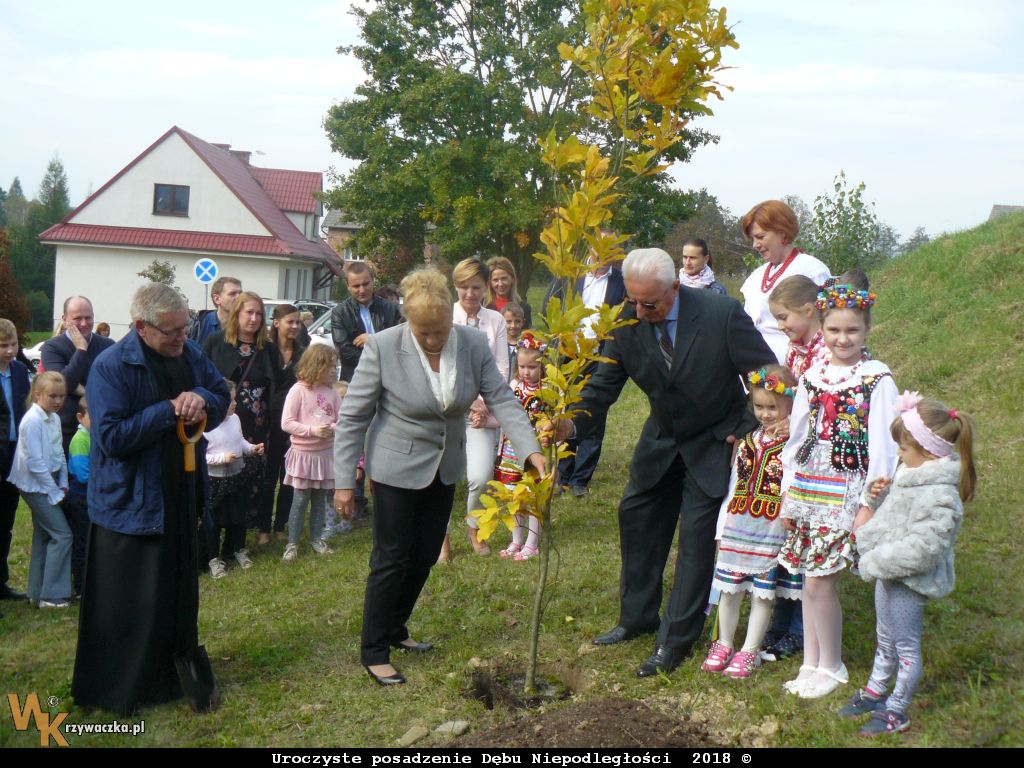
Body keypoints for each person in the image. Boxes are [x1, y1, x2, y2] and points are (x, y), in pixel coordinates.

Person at [568, 248, 775, 678]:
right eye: (633, 301)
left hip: (714, 441)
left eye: (650, 304)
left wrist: (745, 424)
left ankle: (675, 640)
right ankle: (637, 618)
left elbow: (766, 374)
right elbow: (602, 387)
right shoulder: (625, 321)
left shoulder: (720, 315)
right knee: (637, 518)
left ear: (675, 288)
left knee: (696, 542)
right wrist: (570, 425)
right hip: (662, 441)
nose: (640, 312)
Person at [333, 267, 545, 686]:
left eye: (440, 331)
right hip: (394, 467)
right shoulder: (383, 347)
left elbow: (501, 397)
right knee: (391, 557)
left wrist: (531, 448)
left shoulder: (472, 343)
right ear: (408, 322)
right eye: (424, 333)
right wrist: (343, 482)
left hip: (444, 465)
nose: (433, 340)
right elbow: (354, 416)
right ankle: (374, 648)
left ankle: (396, 627)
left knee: (427, 551)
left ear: (451, 318)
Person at [72, 283, 230, 716]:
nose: (182, 338)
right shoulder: (110, 367)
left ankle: (170, 676)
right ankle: (122, 686)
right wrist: (169, 409)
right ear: (141, 327)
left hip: (180, 493)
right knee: (129, 601)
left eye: (185, 329)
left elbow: (220, 396)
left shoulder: (190, 353)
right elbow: (112, 438)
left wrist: (202, 399)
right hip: (129, 502)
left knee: (175, 594)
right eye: (171, 332)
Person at [778, 283, 899, 700]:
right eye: (834, 330)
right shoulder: (813, 376)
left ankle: (831, 663)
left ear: (866, 330)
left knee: (820, 581)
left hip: (846, 490)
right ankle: (811, 662)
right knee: (807, 579)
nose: (842, 339)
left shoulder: (876, 378)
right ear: (822, 328)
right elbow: (798, 436)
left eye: (852, 330)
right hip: (809, 487)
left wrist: (868, 505)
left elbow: (884, 447)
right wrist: (788, 492)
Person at [840, 394, 976, 737]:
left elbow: (925, 548)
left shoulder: (941, 495)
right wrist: (876, 497)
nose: (898, 455)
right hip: (888, 573)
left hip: (910, 581)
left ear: (928, 451)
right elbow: (895, 517)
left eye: (903, 448)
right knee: (884, 638)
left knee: (905, 646)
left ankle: (896, 709)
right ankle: (875, 691)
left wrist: (877, 560)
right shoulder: (911, 474)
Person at [702, 365, 800, 678]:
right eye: (759, 406)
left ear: (790, 405)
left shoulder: (794, 443)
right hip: (737, 526)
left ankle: (749, 649)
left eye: (773, 407)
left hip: (770, 530)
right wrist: (721, 526)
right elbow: (735, 485)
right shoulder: (747, 441)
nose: (765, 414)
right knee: (729, 589)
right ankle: (724, 643)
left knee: (762, 593)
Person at [543, 236, 627, 497]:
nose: (603, 251)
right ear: (589, 245)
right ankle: (563, 473)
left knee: (593, 412)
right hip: (568, 354)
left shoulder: (621, 282)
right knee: (565, 411)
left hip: (599, 356)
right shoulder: (572, 274)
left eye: (610, 247)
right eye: (598, 244)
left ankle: (581, 478)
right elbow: (549, 304)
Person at [204, 292, 284, 552]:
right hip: (223, 422)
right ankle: (216, 531)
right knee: (222, 475)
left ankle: (245, 531)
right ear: (237, 313)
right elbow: (203, 378)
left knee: (254, 476)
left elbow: (276, 386)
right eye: (249, 312)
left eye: (258, 313)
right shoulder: (216, 342)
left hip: (258, 424)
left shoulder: (268, 349)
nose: (254, 318)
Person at [450, 257, 509, 559]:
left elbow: (501, 367)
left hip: (482, 415)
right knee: (440, 476)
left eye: (475, 287)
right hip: (447, 410)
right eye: (464, 287)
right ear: (455, 287)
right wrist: (467, 399)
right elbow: (442, 366)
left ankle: (474, 526)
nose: (470, 294)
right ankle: (440, 536)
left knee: (481, 476)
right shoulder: (445, 316)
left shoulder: (496, 320)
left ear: (486, 287)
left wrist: (483, 404)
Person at [8, 371, 72, 608]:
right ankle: (52, 595)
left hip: (51, 480)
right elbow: (35, 462)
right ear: (37, 394)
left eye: (62, 396)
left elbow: (59, 452)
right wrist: (53, 491)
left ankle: (36, 592)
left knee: (44, 535)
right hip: (35, 485)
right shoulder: (32, 421)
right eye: (52, 396)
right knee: (62, 535)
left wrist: (63, 482)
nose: (58, 401)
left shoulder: (54, 418)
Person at [739, 201, 830, 363]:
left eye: (760, 237)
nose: (755, 245)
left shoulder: (811, 269)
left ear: (782, 232)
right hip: (756, 363)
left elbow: (827, 322)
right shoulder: (756, 276)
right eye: (753, 238)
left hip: (798, 362)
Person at [281, 345, 342, 562]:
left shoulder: (332, 393)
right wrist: (312, 431)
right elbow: (287, 423)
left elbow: (342, 421)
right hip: (304, 455)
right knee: (300, 500)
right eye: (331, 366)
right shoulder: (298, 391)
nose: (334, 370)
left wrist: (331, 429)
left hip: (324, 455)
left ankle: (317, 539)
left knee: (319, 499)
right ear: (317, 366)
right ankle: (292, 544)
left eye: (335, 366)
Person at [494, 333, 548, 561]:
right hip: (511, 450)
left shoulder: (548, 390)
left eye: (532, 367)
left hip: (536, 450)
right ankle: (516, 539)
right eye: (522, 367)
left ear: (543, 366)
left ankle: (532, 543)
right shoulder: (514, 385)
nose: (526, 372)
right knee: (513, 496)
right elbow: (505, 415)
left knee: (533, 496)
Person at [204, 380, 265, 578]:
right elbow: (201, 457)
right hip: (215, 481)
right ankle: (213, 559)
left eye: (234, 398)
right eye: (230, 400)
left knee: (238, 517)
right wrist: (221, 458)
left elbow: (239, 441)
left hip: (237, 476)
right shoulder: (205, 425)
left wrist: (251, 448)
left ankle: (237, 549)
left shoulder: (235, 419)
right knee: (214, 522)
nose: (235, 403)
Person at [259, 304, 308, 545]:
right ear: (276, 323)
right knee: (268, 478)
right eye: (291, 322)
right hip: (267, 420)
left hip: (293, 422)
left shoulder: (303, 352)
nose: (295, 326)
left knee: (288, 476)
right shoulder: (265, 351)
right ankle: (263, 529)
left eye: (298, 322)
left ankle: (280, 526)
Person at [40, 296, 115, 453]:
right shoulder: (52, 347)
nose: (84, 323)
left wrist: (82, 390)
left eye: (88, 318)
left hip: (102, 427)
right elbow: (62, 384)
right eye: (77, 318)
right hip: (66, 428)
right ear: (64, 319)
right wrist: (81, 350)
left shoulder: (108, 346)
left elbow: (113, 384)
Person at [0, 318, 31, 601]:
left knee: (6, 520)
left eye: (13, 344)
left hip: (14, 453)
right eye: (3, 346)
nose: (10, 351)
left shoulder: (20, 371)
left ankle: (1, 581)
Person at [331, 262, 403, 382]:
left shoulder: (391, 309)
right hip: (355, 379)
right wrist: (381, 352)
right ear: (348, 286)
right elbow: (345, 353)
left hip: (388, 379)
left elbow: (401, 342)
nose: (362, 290)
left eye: (366, 284)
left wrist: (373, 339)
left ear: (373, 281)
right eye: (356, 286)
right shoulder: (340, 313)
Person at [768, 275, 828, 379]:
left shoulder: (828, 351)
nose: (779, 326)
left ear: (808, 310)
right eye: (777, 320)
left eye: (783, 318)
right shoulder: (794, 349)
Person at [65, 396, 92, 598]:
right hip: (80, 497)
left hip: (89, 496)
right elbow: (83, 475)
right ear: (80, 417)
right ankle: (81, 586)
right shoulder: (80, 440)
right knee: (81, 541)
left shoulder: (92, 437)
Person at [188, 276, 242, 345]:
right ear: (217, 299)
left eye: (240, 293)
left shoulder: (246, 324)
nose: (239, 297)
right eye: (232, 294)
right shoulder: (200, 324)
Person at [486, 256, 532, 329]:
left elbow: (527, 334)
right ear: (489, 282)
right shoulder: (482, 306)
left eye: (504, 278)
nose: (500, 284)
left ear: (512, 279)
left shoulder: (524, 307)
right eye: (495, 280)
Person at [502, 303, 525, 374]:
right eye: (508, 321)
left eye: (517, 321)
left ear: (523, 322)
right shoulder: (498, 343)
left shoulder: (527, 344)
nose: (513, 325)